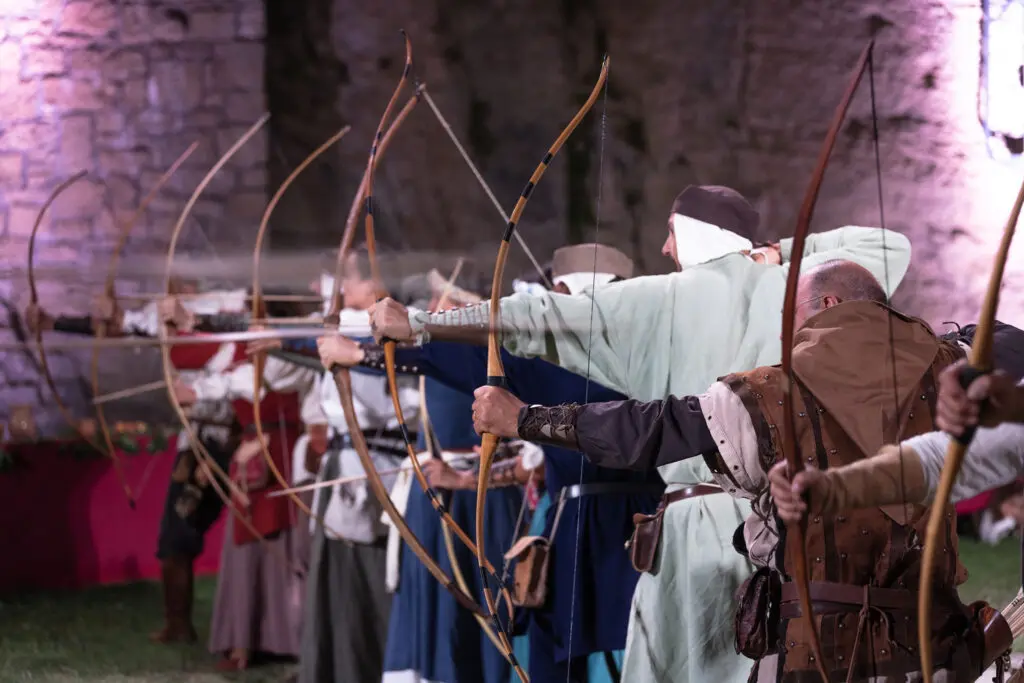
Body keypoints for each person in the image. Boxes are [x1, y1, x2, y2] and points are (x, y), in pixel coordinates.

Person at [368, 185, 912, 683]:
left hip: (698, 529)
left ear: (697, 234)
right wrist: (781, 250)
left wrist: (419, 324)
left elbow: (539, 317)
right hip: (788, 523)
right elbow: (889, 247)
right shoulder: (796, 286)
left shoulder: (664, 298)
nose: (665, 248)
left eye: (672, 232)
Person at [472, 260, 1007, 682]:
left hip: (817, 655)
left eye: (798, 318)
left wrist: (523, 418)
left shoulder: (768, 393)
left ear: (829, 304)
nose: (793, 334)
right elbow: (1011, 346)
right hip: (935, 645)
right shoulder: (952, 372)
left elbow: (647, 431)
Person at [319, 244, 658, 683]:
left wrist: (361, 353)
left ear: (562, 290)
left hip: (583, 526)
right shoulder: (650, 343)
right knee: (641, 645)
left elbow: (466, 357)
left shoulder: (552, 356)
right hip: (650, 524)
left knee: (566, 653)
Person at [25, 282, 246, 645]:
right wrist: (52, 324)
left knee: (186, 533)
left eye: (177, 279)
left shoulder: (228, 307)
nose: (170, 285)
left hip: (223, 438)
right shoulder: (168, 315)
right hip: (196, 438)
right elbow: (117, 327)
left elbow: (251, 345)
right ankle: (179, 623)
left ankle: (216, 628)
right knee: (176, 537)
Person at [173, 293, 318, 671]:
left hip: (284, 456)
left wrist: (201, 391)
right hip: (251, 454)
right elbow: (230, 378)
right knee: (245, 540)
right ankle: (244, 640)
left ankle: (293, 639)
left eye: (259, 319)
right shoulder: (245, 354)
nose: (251, 328)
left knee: (286, 545)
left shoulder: (294, 356)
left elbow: (258, 382)